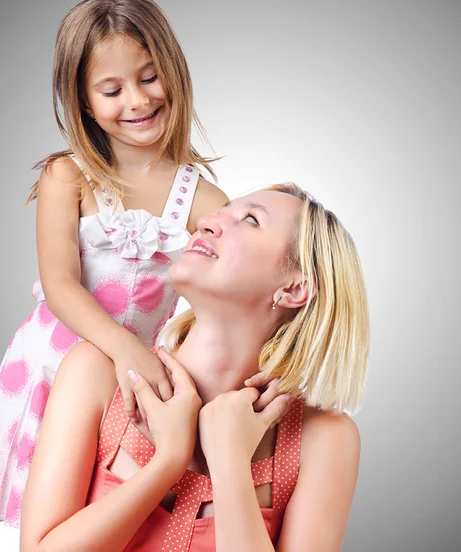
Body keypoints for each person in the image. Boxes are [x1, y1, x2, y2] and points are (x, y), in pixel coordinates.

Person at [21, 184, 370, 551]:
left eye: (250, 220)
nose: (207, 222)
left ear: (294, 289)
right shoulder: (97, 375)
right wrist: (167, 461)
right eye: (222, 211)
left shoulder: (323, 439)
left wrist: (230, 462)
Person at [0, 0, 228, 527]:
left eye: (149, 77)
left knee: (93, 512)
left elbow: (234, 287)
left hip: (127, 390)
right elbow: (61, 285)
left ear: (172, 70)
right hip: (51, 370)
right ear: (83, 101)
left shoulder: (203, 199)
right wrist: (124, 347)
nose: (138, 100)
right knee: (28, 504)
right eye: (112, 89)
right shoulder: (68, 176)